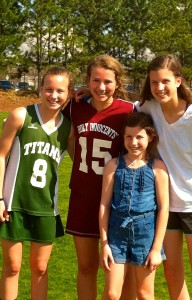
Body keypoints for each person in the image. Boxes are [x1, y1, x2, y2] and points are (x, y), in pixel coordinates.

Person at [136, 54, 192, 300]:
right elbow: (118, 104)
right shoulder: (148, 108)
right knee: (172, 273)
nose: (159, 88)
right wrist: (85, 95)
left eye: (164, 81)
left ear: (178, 81)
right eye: (154, 82)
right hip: (165, 208)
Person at [63, 54, 137, 299]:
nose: (101, 87)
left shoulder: (129, 111)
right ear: (88, 80)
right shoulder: (75, 106)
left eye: (107, 81)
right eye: (95, 81)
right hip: (83, 196)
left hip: (118, 200)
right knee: (86, 266)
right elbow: (54, 122)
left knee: (119, 271)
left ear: (118, 83)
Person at [0, 66, 74, 300]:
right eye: (49, 89)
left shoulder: (69, 128)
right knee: (12, 268)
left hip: (45, 208)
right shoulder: (21, 116)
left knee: (40, 269)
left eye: (60, 91)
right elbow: (1, 155)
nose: (54, 95)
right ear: (40, 89)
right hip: (13, 204)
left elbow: (81, 163)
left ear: (69, 94)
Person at [99, 112, 169, 300]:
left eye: (139, 137)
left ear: (150, 137)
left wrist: (156, 249)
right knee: (113, 294)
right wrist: (104, 243)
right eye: (129, 136)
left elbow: (163, 209)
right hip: (116, 236)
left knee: (144, 294)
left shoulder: (158, 168)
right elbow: (104, 205)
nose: (133, 142)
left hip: (145, 237)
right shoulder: (113, 166)